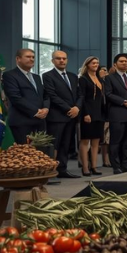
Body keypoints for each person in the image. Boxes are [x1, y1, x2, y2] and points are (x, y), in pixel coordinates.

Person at [42, 50, 83, 178]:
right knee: (54, 145)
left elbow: (80, 94)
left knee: (66, 145)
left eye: (64, 58)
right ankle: (49, 171)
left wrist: (77, 107)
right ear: (52, 61)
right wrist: (69, 108)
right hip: (57, 116)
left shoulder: (72, 76)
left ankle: (62, 169)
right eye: (58, 58)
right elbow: (52, 95)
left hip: (72, 116)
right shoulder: (47, 76)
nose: (62, 61)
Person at [104, 53, 127, 174]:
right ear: (115, 64)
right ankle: (116, 166)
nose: (124, 63)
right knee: (116, 142)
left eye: (126, 61)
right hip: (118, 114)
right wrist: (125, 102)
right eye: (121, 61)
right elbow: (108, 94)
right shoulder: (109, 78)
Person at [2, 48, 49, 144]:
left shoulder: (37, 77)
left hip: (40, 122)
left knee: (39, 155)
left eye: (33, 57)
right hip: (21, 122)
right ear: (18, 59)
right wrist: (36, 111)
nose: (31, 59)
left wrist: (46, 108)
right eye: (28, 56)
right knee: (24, 155)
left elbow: (45, 95)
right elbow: (15, 98)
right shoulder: (9, 75)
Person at [77, 56, 105, 177]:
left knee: (96, 142)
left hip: (99, 113)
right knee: (85, 141)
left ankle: (94, 166)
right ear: (87, 64)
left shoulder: (100, 79)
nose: (96, 64)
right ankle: (85, 167)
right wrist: (85, 113)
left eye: (97, 63)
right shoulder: (83, 79)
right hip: (87, 113)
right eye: (93, 63)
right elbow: (82, 98)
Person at [98, 66, 111, 168]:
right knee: (100, 138)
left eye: (105, 70)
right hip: (98, 112)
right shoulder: (97, 81)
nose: (104, 72)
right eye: (101, 70)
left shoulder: (108, 82)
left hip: (108, 112)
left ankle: (106, 160)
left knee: (107, 139)